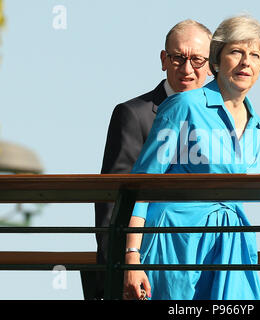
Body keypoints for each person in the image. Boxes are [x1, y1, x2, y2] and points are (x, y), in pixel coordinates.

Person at [124, 14, 260, 300]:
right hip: (176, 235)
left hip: (231, 239)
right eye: (236, 52)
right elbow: (141, 184)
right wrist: (132, 256)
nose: (246, 62)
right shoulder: (184, 104)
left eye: (255, 55)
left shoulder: (257, 124)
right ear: (216, 61)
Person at [82, 20, 213, 300]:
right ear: (164, 60)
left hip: (204, 262)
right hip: (147, 265)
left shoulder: (220, 121)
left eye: (197, 59)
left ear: (211, 64)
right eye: (178, 57)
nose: (187, 68)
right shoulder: (134, 114)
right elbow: (111, 198)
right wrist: (117, 268)